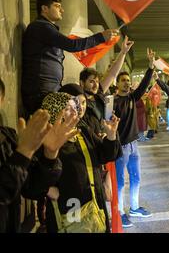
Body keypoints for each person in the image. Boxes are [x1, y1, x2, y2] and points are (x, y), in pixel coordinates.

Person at [21, 0, 118, 117]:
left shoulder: (46, 28)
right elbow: (72, 45)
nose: (62, 10)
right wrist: (100, 37)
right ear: (44, 8)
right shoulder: (41, 27)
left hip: (48, 91)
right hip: (40, 92)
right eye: (57, 6)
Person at [40, 88, 121, 233]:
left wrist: (111, 135)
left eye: (74, 107)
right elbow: (32, 176)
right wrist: (47, 189)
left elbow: (106, 155)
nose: (75, 111)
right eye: (67, 108)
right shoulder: (47, 139)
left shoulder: (82, 132)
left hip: (95, 205)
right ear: (54, 113)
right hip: (72, 208)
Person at [0, 78, 75, 233]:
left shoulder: (7, 137)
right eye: (68, 107)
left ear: (1, 100)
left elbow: (32, 188)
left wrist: (50, 154)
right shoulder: (23, 143)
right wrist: (24, 153)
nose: (74, 111)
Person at [113, 48, 155, 228]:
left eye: (128, 81)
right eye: (123, 80)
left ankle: (134, 207)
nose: (126, 83)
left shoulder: (132, 97)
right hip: (120, 147)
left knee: (136, 178)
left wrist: (151, 66)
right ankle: (120, 212)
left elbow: (145, 84)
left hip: (134, 145)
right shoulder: (112, 102)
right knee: (120, 182)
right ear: (116, 83)